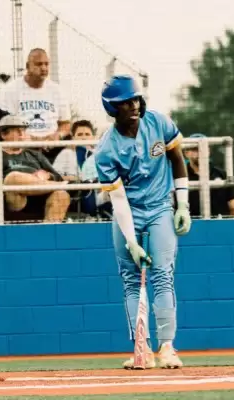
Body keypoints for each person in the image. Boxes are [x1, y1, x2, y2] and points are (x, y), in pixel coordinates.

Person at [94, 75, 192, 369]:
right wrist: (132, 242)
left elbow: (177, 159)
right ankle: (142, 348)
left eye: (136, 99)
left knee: (163, 274)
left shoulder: (159, 123)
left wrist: (183, 204)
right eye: (125, 102)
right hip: (129, 211)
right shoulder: (106, 149)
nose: (134, 105)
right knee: (131, 279)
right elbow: (118, 200)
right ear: (113, 108)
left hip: (160, 206)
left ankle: (167, 347)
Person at [0, 115, 70, 223]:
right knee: (13, 178)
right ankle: (65, 185)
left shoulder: (35, 154)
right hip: (12, 198)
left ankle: (48, 232)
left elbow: (57, 176)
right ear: (3, 134)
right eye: (18, 131)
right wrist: (9, 182)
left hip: (40, 198)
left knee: (61, 194)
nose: (22, 134)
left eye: (23, 131)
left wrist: (48, 175)